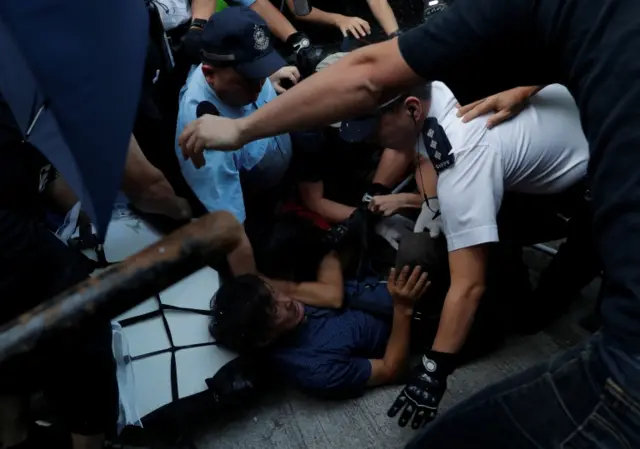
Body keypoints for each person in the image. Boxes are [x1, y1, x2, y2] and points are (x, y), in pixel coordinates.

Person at [177, 0, 640, 445]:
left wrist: (434, 370)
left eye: (374, 129)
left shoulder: (462, 167)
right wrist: (373, 202)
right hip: (565, 119)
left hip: (595, 172)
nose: (370, 142)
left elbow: (467, 286)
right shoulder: (436, 87)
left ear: (410, 112)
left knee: (538, 300)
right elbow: (399, 129)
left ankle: (531, 310)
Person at [175, 7, 301, 275]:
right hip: (257, 201)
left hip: (281, 157)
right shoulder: (204, 143)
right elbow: (232, 233)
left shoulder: (241, 76)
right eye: (248, 79)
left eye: (261, 72)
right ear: (209, 73)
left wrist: (269, 74)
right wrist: (257, 293)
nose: (258, 88)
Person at [211, 246, 430, 397]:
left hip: (383, 273)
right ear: (264, 339)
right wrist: (403, 308)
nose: (286, 301)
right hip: (424, 316)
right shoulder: (317, 369)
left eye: (272, 293)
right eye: (274, 311)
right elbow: (393, 370)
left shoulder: (291, 304)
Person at [284, 0, 400, 40]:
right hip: (310, 30)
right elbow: (298, 10)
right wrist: (338, 19)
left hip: (348, 12)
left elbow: (377, 1)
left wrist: (395, 35)